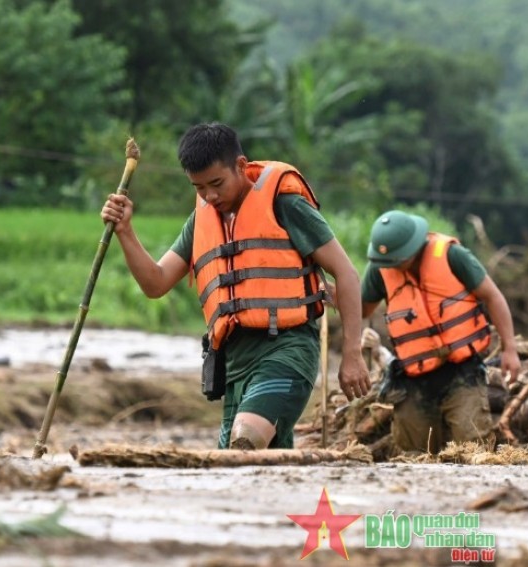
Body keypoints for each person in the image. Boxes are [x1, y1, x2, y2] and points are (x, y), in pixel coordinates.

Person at [100, 122, 370, 450]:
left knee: (245, 443)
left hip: (287, 349)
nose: (210, 196)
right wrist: (125, 231)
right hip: (233, 366)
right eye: (199, 188)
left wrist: (352, 353)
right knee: (251, 471)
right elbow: (155, 283)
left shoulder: (284, 204)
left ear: (240, 166)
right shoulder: (202, 220)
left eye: (217, 183)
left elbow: (347, 274)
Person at [361, 210, 520, 453]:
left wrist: (510, 349)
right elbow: (362, 308)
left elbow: (492, 296)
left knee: (473, 449)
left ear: (411, 250)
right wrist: (334, 293)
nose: (389, 265)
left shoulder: (451, 256)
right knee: (412, 456)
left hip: (461, 370)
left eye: (395, 260)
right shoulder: (381, 267)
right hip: (412, 377)